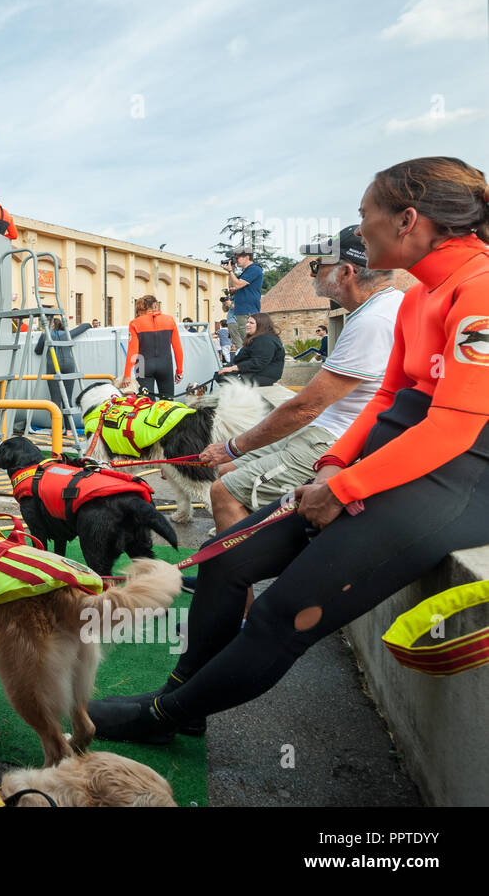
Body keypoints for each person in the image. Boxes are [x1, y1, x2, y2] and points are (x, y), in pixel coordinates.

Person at [87, 156, 489, 745]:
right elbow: (387, 403)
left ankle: (163, 720)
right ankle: (183, 690)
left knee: (283, 617)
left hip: (451, 480)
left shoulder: (477, 289)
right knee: (226, 558)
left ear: (407, 220)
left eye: (364, 216)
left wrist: (344, 486)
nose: (360, 230)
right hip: (382, 465)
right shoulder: (420, 295)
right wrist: (332, 464)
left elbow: (454, 426)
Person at [199, 225, 403, 536]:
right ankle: (231, 565)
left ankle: (232, 580)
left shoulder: (372, 322)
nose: (312, 275)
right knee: (226, 471)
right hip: (324, 431)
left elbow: (306, 407)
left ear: (347, 272)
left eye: (317, 267)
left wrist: (234, 445)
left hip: (332, 439)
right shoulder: (378, 310)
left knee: (223, 491)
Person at [123, 295, 184, 399]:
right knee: (167, 405)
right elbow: (178, 348)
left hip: (142, 366)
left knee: (145, 405)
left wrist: (127, 375)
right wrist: (179, 371)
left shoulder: (134, 323)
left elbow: (133, 351)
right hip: (165, 365)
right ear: (155, 305)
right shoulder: (169, 320)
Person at [214, 313, 285, 386]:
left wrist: (233, 368)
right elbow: (242, 358)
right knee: (220, 376)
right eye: (247, 322)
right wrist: (228, 368)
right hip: (254, 373)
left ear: (261, 325)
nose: (247, 325)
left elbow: (259, 362)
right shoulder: (257, 338)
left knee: (225, 379)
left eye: (251, 323)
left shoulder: (265, 340)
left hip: (262, 376)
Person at [225, 251, 263, 348]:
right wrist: (231, 271)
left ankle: (253, 361)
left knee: (248, 341)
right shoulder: (245, 272)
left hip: (248, 310)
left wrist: (230, 271)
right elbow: (232, 287)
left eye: (237, 258)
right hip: (242, 310)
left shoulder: (254, 269)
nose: (236, 261)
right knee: (244, 341)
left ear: (246, 257)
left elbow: (237, 284)